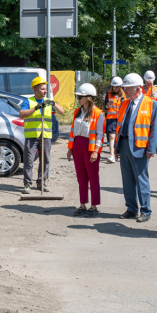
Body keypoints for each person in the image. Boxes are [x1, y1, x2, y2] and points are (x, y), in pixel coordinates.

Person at [113, 73, 157, 222]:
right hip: (125, 145)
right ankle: (131, 208)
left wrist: (151, 149)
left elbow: (155, 129)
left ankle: (145, 210)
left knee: (141, 180)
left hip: (140, 147)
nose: (124, 90)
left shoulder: (151, 103)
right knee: (127, 180)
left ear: (138, 89)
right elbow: (119, 127)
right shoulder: (125, 103)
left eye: (127, 88)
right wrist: (117, 147)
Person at [19, 76, 65, 193]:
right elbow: (22, 114)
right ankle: (27, 184)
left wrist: (54, 103)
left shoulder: (48, 102)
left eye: (46, 89)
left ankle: (41, 182)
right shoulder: (28, 101)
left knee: (45, 160)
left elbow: (62, 112)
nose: (45, 91)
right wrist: (35, 108)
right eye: (43, 89)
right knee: (29, 160)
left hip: (46, 136)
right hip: (32, 136)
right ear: (35, 89)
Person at [66, 83, 104, 216]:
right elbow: (72, 131)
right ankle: (82, 204)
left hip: (90, 147)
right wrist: (70, 148)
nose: (78, 99)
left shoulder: (98, 113)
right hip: (77, 146)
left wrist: (96, 151)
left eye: (80, 97)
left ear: (89, 98)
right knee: (81, 178)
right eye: (78, 96)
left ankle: (93, 206)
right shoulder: (77, 112)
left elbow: (100, 134)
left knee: (93, 178)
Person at [102, 77, 124, 163]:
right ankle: (111, 155)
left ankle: (118, 154)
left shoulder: (124, 95)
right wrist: (108, 104)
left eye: (116, 87)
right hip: (111, 119)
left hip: (121, 119)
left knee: (119, 138)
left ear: (120, 86)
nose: (114, 88)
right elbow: (106, 107)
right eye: (113, 87)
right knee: (111, 137)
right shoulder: (108, 94)